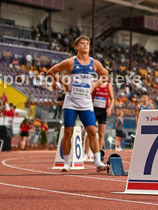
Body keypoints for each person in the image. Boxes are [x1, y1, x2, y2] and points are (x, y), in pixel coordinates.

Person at [45, 36, 108, 172]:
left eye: (87, 44)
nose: (85, 45)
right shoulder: (70, 62)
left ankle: (98, 162)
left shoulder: (95, 63)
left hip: (86, 103)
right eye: (82, 43)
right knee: (68, 132)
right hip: (71, 102)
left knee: (92, 131)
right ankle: (66, 163)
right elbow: (50, 72)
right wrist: (63, 82)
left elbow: (106, 75)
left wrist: (95, 85)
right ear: (76, 47)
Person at [90, 69, 116, 160]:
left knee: (101, 134)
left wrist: (110, 109)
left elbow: (112, 99)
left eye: (107, 75)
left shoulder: (109, 86)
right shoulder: (95, 83)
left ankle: (99, 153)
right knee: (90, 131)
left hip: (103, 111)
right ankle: (86, 153)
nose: (106, 77)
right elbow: (89, 94)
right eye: (103, 75)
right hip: (93, 109)